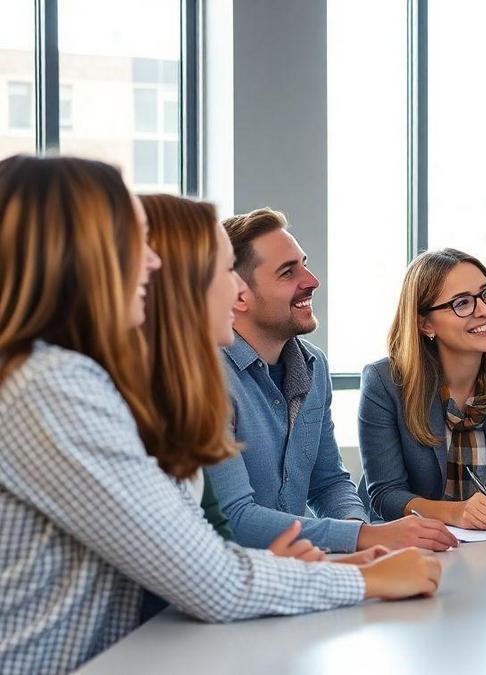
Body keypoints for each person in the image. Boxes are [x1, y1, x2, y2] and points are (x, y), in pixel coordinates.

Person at [0, 156, 441, 674]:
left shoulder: (76, 379)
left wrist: (317, 567)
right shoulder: (51, 385)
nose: (152, 262)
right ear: (77, 255)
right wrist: (364, 578)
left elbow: (200, 551)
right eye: (133, 240)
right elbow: (207, 577)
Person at [206, 208, 457, 553]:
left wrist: (360, 533)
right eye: (287, 272)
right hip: (234, 575)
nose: (312, 280)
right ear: (238, 294)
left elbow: (328, 483)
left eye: (304, 264)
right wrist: (366, 537)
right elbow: (235, 519)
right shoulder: (206, 377)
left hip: (300, 567)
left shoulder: (314, 366)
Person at [358, 248, 486, 529]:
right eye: (462, 303)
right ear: (425, 324)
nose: (485, 310)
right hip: (408, 541)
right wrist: (456, 513)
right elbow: (386, 494)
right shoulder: (384, 382)